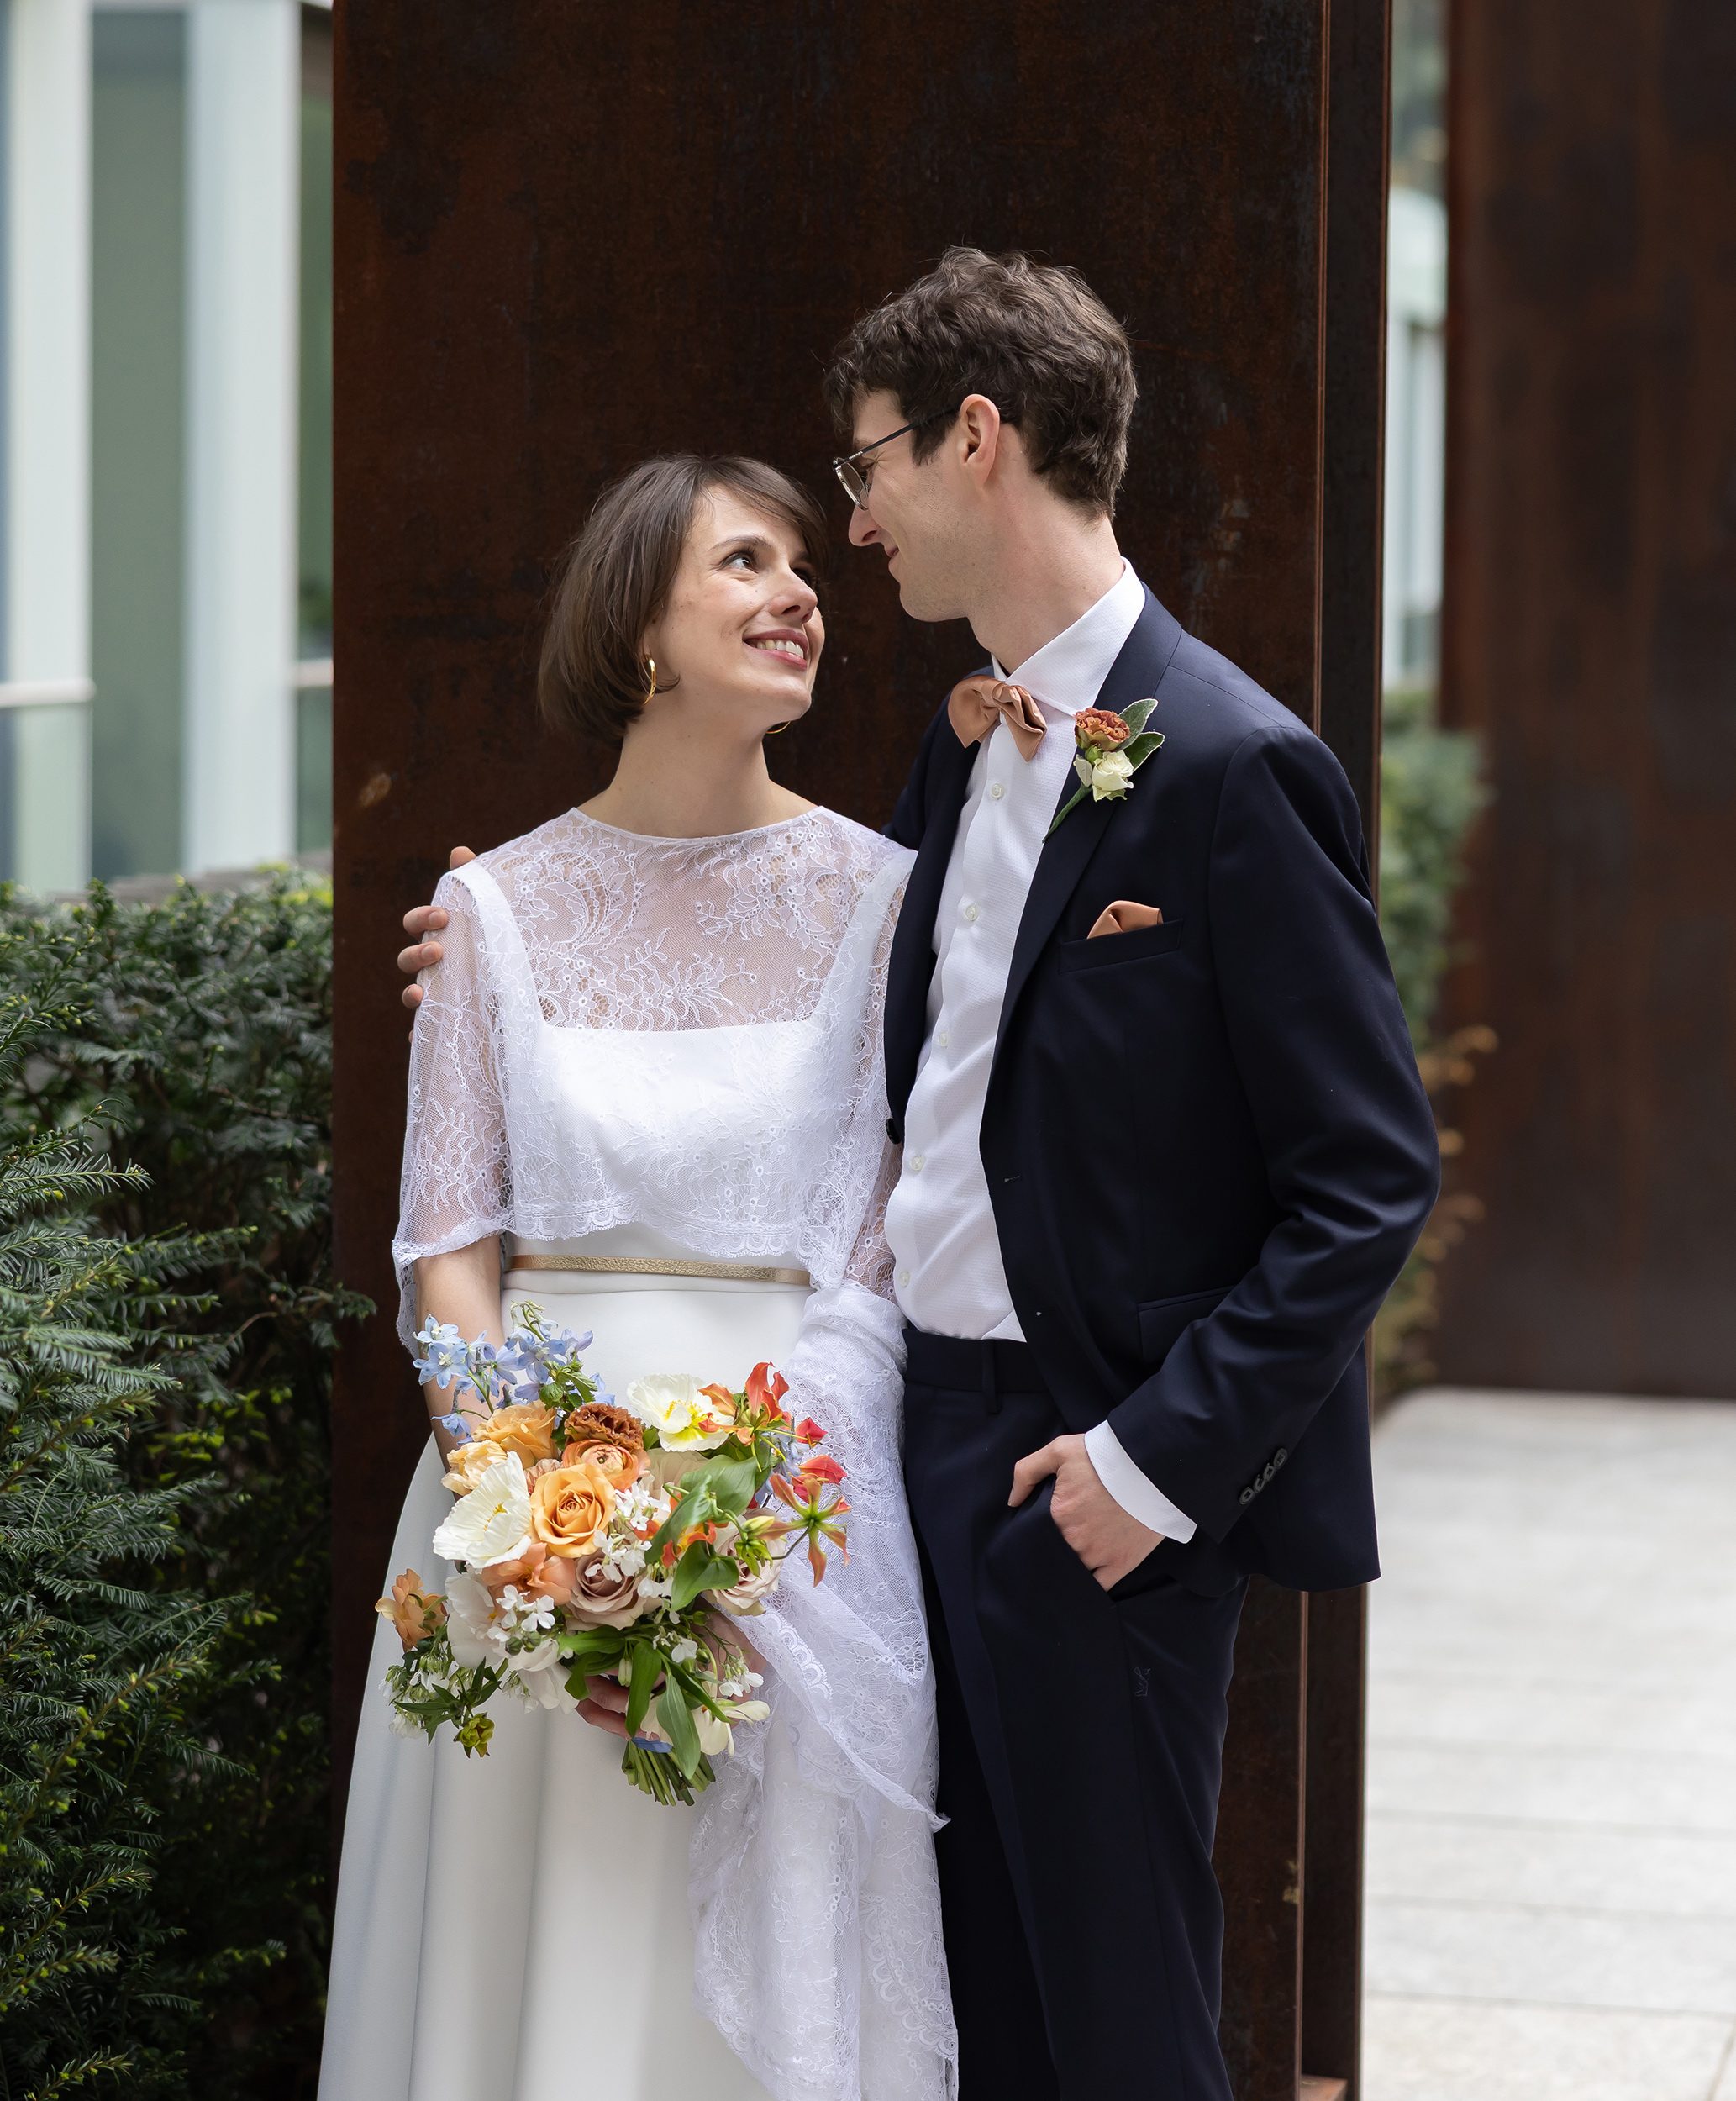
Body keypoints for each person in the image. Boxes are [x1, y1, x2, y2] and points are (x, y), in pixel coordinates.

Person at [402, 250, 1441, 2099]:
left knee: (1124, 2026)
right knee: (975, 2027)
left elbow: (1364, 1176)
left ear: (976, 441)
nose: (851, 519)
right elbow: (812, 1011)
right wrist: (499, 946)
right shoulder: (958, 760)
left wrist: (1148, 1467)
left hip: (1087, 1471)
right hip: (899, 1464)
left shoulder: (1221, 763)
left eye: (867, 467)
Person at [323, 455, 957, 2101]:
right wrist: (536, 1507)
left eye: (805, 561)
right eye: (744, 558)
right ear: (639, 626)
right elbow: (445, 1246)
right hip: (525, 1499)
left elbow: (890, 1236)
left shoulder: (890, 901)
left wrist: (739, 1515)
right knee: (553, 1957)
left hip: (790, 1499)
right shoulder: (491, 910)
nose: (800, 589)